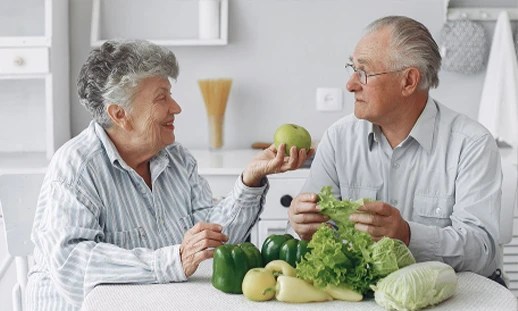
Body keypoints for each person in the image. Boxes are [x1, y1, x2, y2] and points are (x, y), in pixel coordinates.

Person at [26, 39, 312, 310]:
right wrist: (171, 260)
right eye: (162, 98)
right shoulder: (76, 168)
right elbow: (72, 265)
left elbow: (214, 241)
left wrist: (250, 179)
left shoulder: (176, 159)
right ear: (120, 114)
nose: (176, 108)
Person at [288, 15, 505, 285]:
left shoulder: (471, 143)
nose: (350, 84)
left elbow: (482, 251)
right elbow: (311, 234)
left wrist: (408, 235)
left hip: (454, 293)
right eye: (351, 68)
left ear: (409, 81)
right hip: (364, 294)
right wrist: (302, 224)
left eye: (363, 72)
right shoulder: (338, 138)